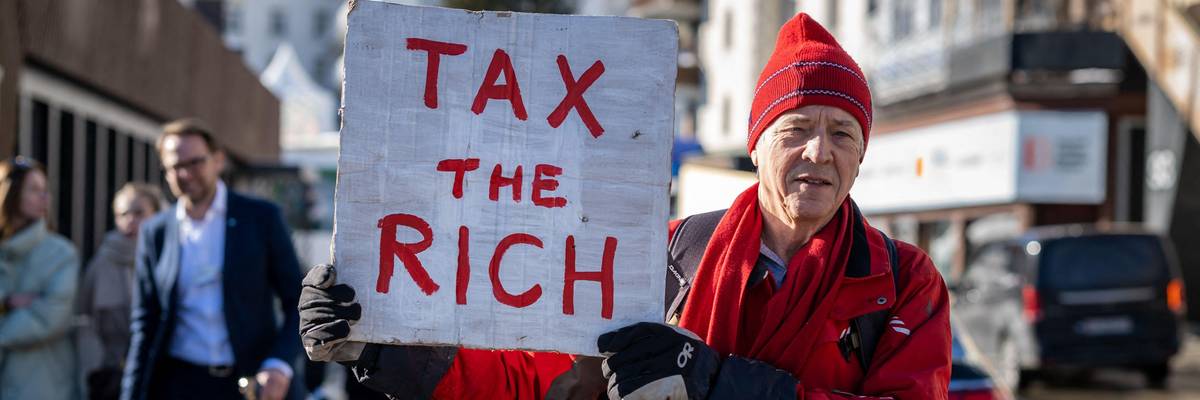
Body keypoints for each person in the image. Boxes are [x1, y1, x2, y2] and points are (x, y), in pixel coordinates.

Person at [299, 13, 952, 399]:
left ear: (861, 154)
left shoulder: (904, 283)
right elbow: (541, 377)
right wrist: (384, 348)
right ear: (756, 146)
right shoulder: (663, 251)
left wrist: (715, 381)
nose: (819, 150)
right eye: (796, 129)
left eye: (842, 133)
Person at [121, 119, 303, 400]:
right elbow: (144, 324)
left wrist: (280, 363)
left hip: (249, 383)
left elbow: (298, 301)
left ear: (218, 160)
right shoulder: (155, 232)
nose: (186, 173)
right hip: (179, 383)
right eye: (175, 167)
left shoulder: (260, 218)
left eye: (195, 162)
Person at [0, 157, 81, 399]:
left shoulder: (61, 253)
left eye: (45, 190)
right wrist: (7, 302)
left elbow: (49, 317)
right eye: (34, 189)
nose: (44, 198)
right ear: (10, 192)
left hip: (39, 382)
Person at [76, 183, 163, 400]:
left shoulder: (169, 256)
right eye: (123, 214)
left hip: (161, 370)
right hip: (112, 374)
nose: (130, 220)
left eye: (139, 212)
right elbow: (85, 319)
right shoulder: (102, 261)